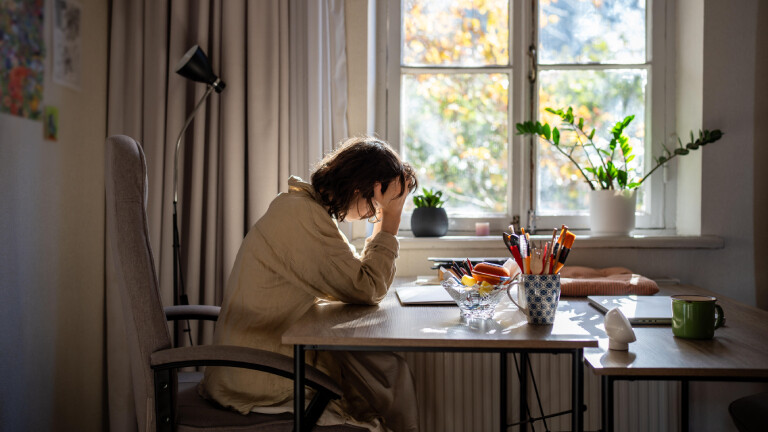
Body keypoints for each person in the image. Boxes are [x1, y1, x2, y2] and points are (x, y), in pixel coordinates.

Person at [199, 137, 420, 432]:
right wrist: (391, 218)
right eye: (378, 202)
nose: (374, 213)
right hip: (257, 376)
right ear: (361, 188)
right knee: (388, 376)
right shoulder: (302, 217)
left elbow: (357, 280)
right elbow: (368, 287)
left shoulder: (303, 209)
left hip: (255, 360)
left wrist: (385, 214)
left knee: (386, 373)